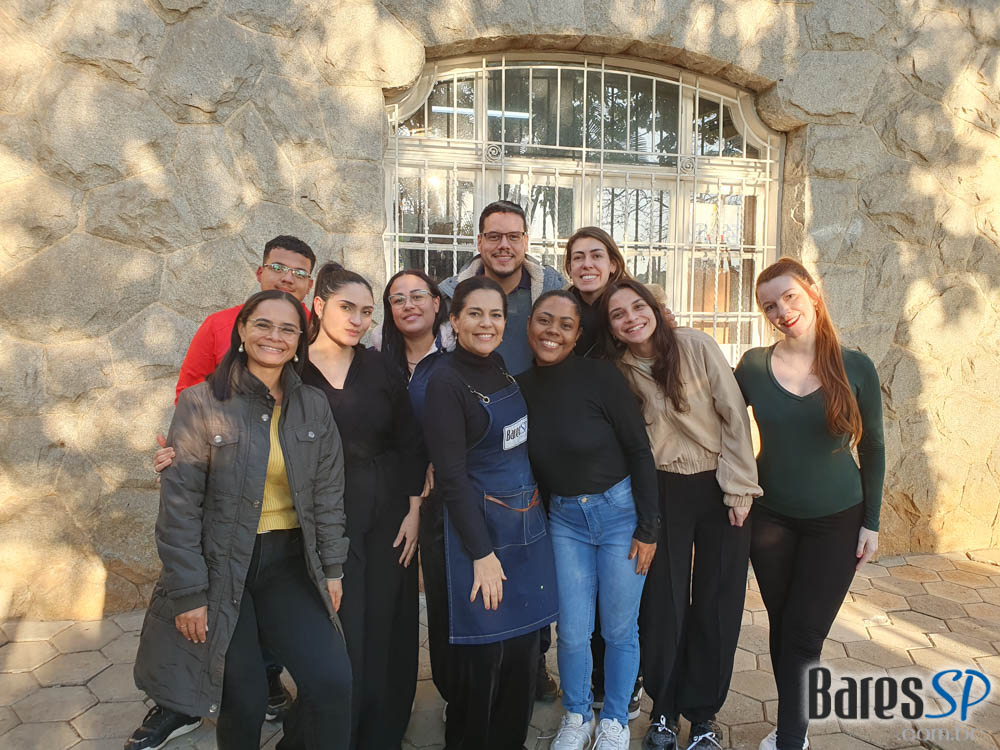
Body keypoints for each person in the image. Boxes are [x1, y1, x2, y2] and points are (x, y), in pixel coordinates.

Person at [133, 289, 353, 750]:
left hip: (289, 563)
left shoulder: (313, 405)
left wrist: (332, 566)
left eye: (288, 329)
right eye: (263, 325)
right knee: (244, 699)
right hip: (222, 567)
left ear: (300, 340)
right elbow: (179, 507)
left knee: (332, 683)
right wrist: (189, 592)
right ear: (242, 330)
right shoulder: (201, 402)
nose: (274, 336)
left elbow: (329, 495)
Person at [600, 279, 763, 750]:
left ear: (654, 308)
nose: (632, 318)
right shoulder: (618, 370)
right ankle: (664, 711)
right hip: (661, 490)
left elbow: (734, 416)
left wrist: (740, 489)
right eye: (618, 314)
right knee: (662, 605)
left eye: (638, 307)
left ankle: (705, 714)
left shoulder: (696, 346)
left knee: (718, 601)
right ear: (611, 327)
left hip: (718, 485)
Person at [733, 257, 884, 750]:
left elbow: (874, 447)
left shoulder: (855, 366)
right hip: (770, 519)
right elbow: (720, 422)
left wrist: (871, 522)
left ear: (813, 293)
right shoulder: (753, 366)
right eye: (769, 306)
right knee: (784, 626)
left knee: (804, 632)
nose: (781, 311)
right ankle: (791, 724)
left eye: (789, 296)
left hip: (837, 521)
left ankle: (790, 737)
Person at [517, 291, 658, 750]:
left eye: (565, 325)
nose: (552, 332)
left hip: (620, 516)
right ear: (529, 325)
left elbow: (639, 450)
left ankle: (615, 719)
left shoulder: (601, 377)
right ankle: (576, 715)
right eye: (544, 320)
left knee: (619, 628)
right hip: (565, 522)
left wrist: (649, 528)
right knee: (573, 631)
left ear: (578, 335)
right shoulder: (519, 388)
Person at [422, 276, 559, 750]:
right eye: (475, 314)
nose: (487, 324)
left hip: (524, 524)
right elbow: (451, 477)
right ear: (454, 320)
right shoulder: (444, 383)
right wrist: (481, 554)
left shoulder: (498, 366)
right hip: (476, 532)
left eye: (495, 315)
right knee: (484, 659)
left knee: (522, 653)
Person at [439, 199, 566, 700]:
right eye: (494, 236)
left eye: (514, 236)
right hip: (478, 446)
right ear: (480, 242)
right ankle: (478, 677)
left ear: (526, 242)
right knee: (483, 559)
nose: (504, 245)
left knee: (532, 560)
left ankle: (532, 662)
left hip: (538, 441)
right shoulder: (453, 293)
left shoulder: (549, 291)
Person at [300, 263, 426, 750]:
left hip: (389, 510)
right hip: (325, 515)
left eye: (367, 312)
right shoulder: (294, 368)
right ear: (319, 306)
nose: (357, 320)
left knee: (386, 623)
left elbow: (409, 440)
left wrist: (414, 511)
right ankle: (335, 731)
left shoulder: (379, 367)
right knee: (339, 625)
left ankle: (382, 732)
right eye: (347, 308)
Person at [562, 226, 646, 718]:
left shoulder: (629, 307)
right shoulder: (566, 309)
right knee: (582, 602)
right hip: (578, 468)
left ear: (613, 262)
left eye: (597, 255)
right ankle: (593, 682)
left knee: (623, 596)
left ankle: (627, 682)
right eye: (578, 257)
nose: (587, 264)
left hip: (629, 465)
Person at [374, 269, 454, 702]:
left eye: (418, 295)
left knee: (445, 598)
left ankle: (453, 692)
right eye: (397, 299)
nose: (408, 305)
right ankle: (389, 696)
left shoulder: (457, 355)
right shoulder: (374, 358)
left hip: (445, 495)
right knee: (392, 597)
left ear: (437, 303)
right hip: (390, 495)